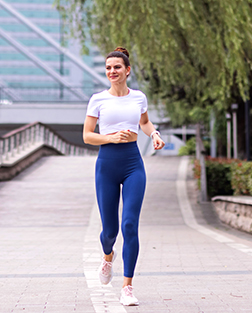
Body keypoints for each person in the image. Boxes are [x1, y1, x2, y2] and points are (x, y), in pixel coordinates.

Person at [83, 47, 165, 306]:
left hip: (133, 164)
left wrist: (154, 134)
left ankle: (127, 287)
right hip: (106, 165)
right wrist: (110, 138)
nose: (112, 71)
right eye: (108, 68)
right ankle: (108, 256)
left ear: (127, 70)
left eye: (117, 67)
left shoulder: (139, 97)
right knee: (110, 230)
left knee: (130, 225)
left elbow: (144, 123)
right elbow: (87, 135)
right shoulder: (98, 99)